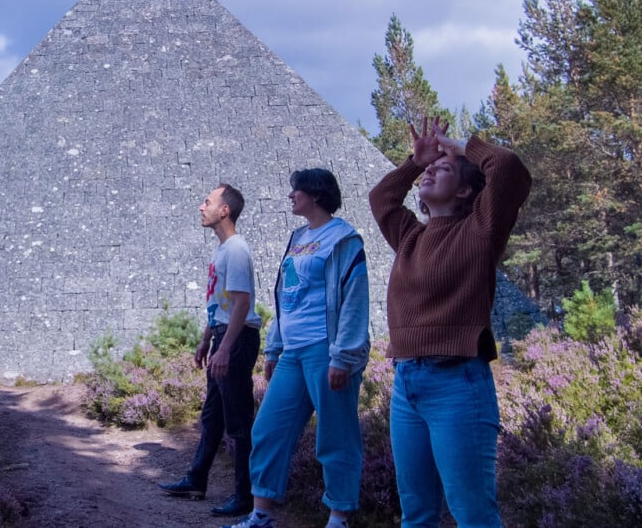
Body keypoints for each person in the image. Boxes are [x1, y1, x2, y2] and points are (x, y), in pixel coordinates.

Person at [369, 116, 531, 527]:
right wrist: (413, 162)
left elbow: (508, 168)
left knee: (472, 514)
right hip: (407, 383)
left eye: (441, 170)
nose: (429, 172)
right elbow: (382, 198)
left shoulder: (480, 231)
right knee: (417, 514)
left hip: (457, 383)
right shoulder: (410, 235)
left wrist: (458, 147)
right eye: (429, 170)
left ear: (463, 189)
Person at [225, 169, 370, 528]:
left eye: (296, 191)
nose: (291, 196)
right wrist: (274, 348)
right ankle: (262, 514)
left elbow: (354, 300)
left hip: (327, 348)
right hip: (293, 350)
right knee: (268, 429)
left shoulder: (343, 238)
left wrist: (344, 355)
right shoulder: (298, 236)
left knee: (336, 435)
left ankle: (339, 517)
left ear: (316, 194)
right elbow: (286, 296)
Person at [158, 183, 262, 518]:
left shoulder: (235, 250)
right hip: (223, 335)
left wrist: (225, 348)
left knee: (239, 421)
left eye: (208, 202)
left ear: (225, 210)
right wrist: (207, 340)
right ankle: (196, 479)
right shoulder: (221, 251)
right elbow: (222, 303)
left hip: (237, 339)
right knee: (213, 416)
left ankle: (245, 496)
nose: (201, 207)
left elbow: (242, 304)